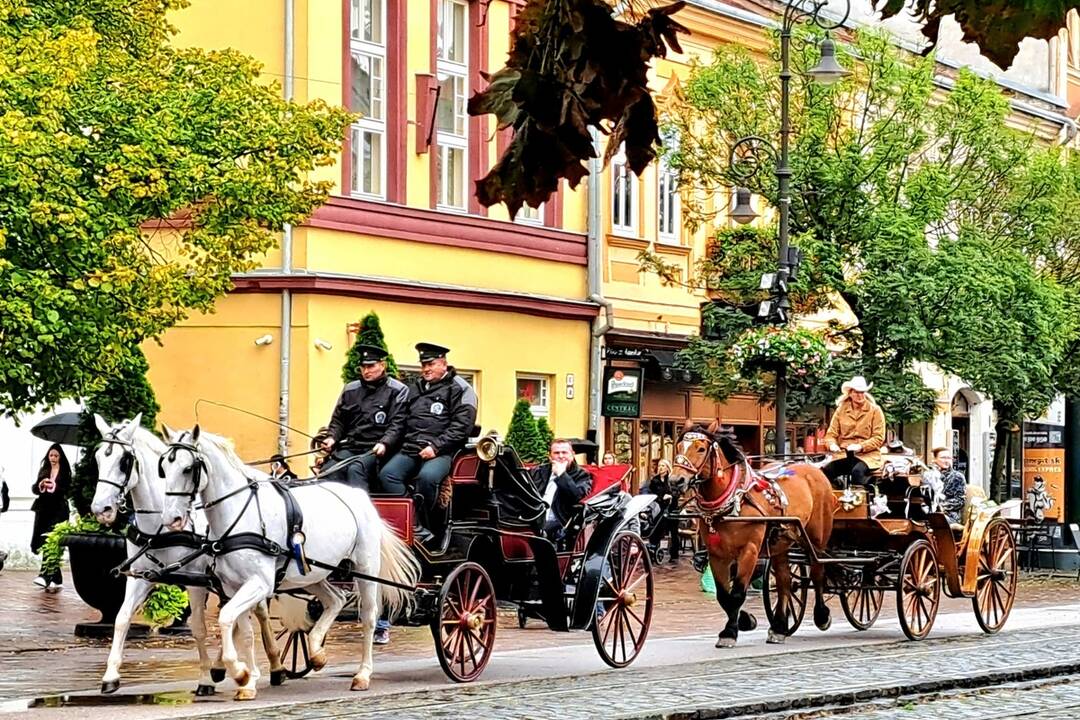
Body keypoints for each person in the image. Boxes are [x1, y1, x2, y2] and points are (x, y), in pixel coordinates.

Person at [379, 343, 478, 543]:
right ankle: (414, 525)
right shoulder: (414, 388)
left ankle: (431, 527)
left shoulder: (461, 388)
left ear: (444, 364)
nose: (425, 369)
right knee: (388, 474)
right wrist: (385, 442)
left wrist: (435, 447)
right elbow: (400, 421)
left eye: (431, 364)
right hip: (411, 448)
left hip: (443, 452)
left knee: (427, 477)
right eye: (423, 365)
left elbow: (462, 427)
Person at [321, 344, 409, 492]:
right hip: (352, 446)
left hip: (378, 449)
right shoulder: (350, 389)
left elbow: (398, 424)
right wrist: (332, 437)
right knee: (328, 472)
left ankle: (361, 507)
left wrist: (385, 443)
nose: (366, 371)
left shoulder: (397, 390)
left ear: (382, 365)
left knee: (356, 470)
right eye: (363, 367)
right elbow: (339, 420)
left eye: (371, 366)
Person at [822, 376, 886, 488]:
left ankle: (867, 494)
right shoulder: (840, 410)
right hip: (844, 454)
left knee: (857, 472)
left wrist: (861, 446)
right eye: (857, 392)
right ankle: (836, 493)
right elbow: (831, 434)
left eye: (862, 392)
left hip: (868, 456)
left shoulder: (875, 410)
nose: (860, 395)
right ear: (850, 393)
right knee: (826, 471)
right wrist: (832, 445)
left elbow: (878, 437)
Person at [528, 439, 594, 538]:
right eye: (556, 453)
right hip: (534, 518)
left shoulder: (582, 475)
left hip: (560, 523)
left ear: (572, 455)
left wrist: (562, 475)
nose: (561, 456)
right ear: (550, 456)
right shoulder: (538, 472)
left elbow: (578, 497)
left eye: (564, 452)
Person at [31, 444, 71, 590]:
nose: (53, 458)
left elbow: (68, 490)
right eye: (51, 455)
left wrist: (55, 487)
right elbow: (34, 489)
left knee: (51, 541)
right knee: (43, 540)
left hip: (58, 511)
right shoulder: (44, 470)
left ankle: (45, 575)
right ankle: (57, 578)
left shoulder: (65, 471)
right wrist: (42, 485)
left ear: (60, 457)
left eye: (56, 456)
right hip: (43, 510)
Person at [641, 459, 680, 564]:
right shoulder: (654, 481)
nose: (661, 468)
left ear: (667, 468)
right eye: (659, 466)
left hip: (672, 508)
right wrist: (662, 497)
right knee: (657, 528)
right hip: (660, 508)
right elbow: (653, 494)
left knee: (674, 532)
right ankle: (654, 550)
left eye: (663, 466)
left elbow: (677, 493)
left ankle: (674, 554)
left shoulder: (671, 480)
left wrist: (671, 496)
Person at [931, 447, 966, 524]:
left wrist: (940, 506)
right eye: (943, 458)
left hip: (949, 515)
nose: (946, 460)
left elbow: (960, 501)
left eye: (949, 458)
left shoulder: (957, 476)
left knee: (934, 520)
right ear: (934, 459)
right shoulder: (929, 475)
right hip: (928, 512)